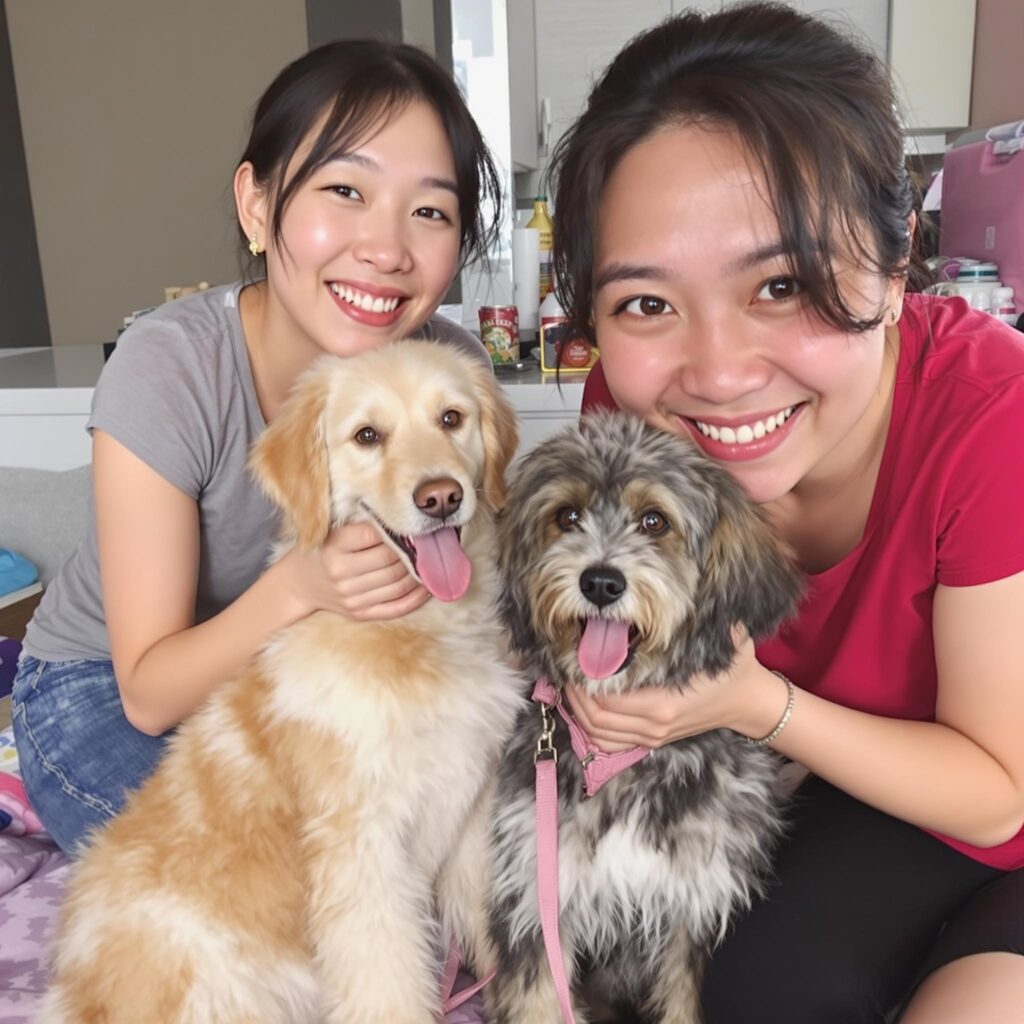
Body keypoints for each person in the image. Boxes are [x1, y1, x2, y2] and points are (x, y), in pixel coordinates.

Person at [547, 4, 1024, 1021]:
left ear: (894, 262)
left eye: (781, 283)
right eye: (645, 303)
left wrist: (751, 702)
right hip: (838, 791)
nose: (718, 374)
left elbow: (997, 794)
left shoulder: (993, 417)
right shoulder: (630, 412)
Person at [12, 39, 501, 855]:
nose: (387, 249)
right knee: (279, 874)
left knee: (439, 844)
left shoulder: (449, 371)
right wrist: (303, 584)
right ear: (256, 203)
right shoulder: (171, 368)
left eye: (430, 211)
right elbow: (148, 694)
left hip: (315, 670)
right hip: (105, 690)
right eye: (345, 190)